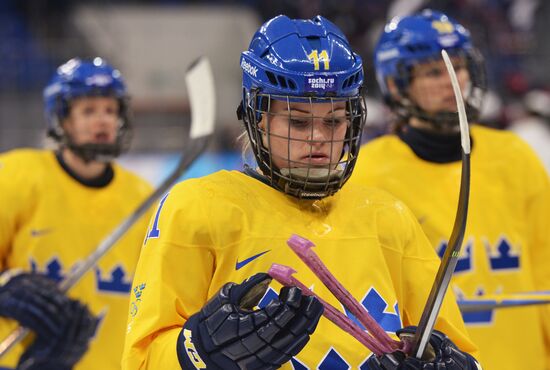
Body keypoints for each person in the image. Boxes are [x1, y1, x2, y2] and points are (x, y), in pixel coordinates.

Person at [121, 14, 481, 370]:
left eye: (334, 121)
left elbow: (458, 353)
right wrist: (197, 353)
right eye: (297, 121)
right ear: (257, 117)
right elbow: (143, 359)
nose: (319, 138)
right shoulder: (197, 208)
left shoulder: (387, 216)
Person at [349, 9, 550, 370]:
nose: (452, 81)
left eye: (457, 67)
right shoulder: (367, 173)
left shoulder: (516, 156)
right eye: (432, 72)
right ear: (395, 85)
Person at [0, 57, 153, 370]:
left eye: (110, 110)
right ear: (62, 119)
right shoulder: (16, 176)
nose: (103, 121)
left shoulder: (143, 199)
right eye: (88, 111)